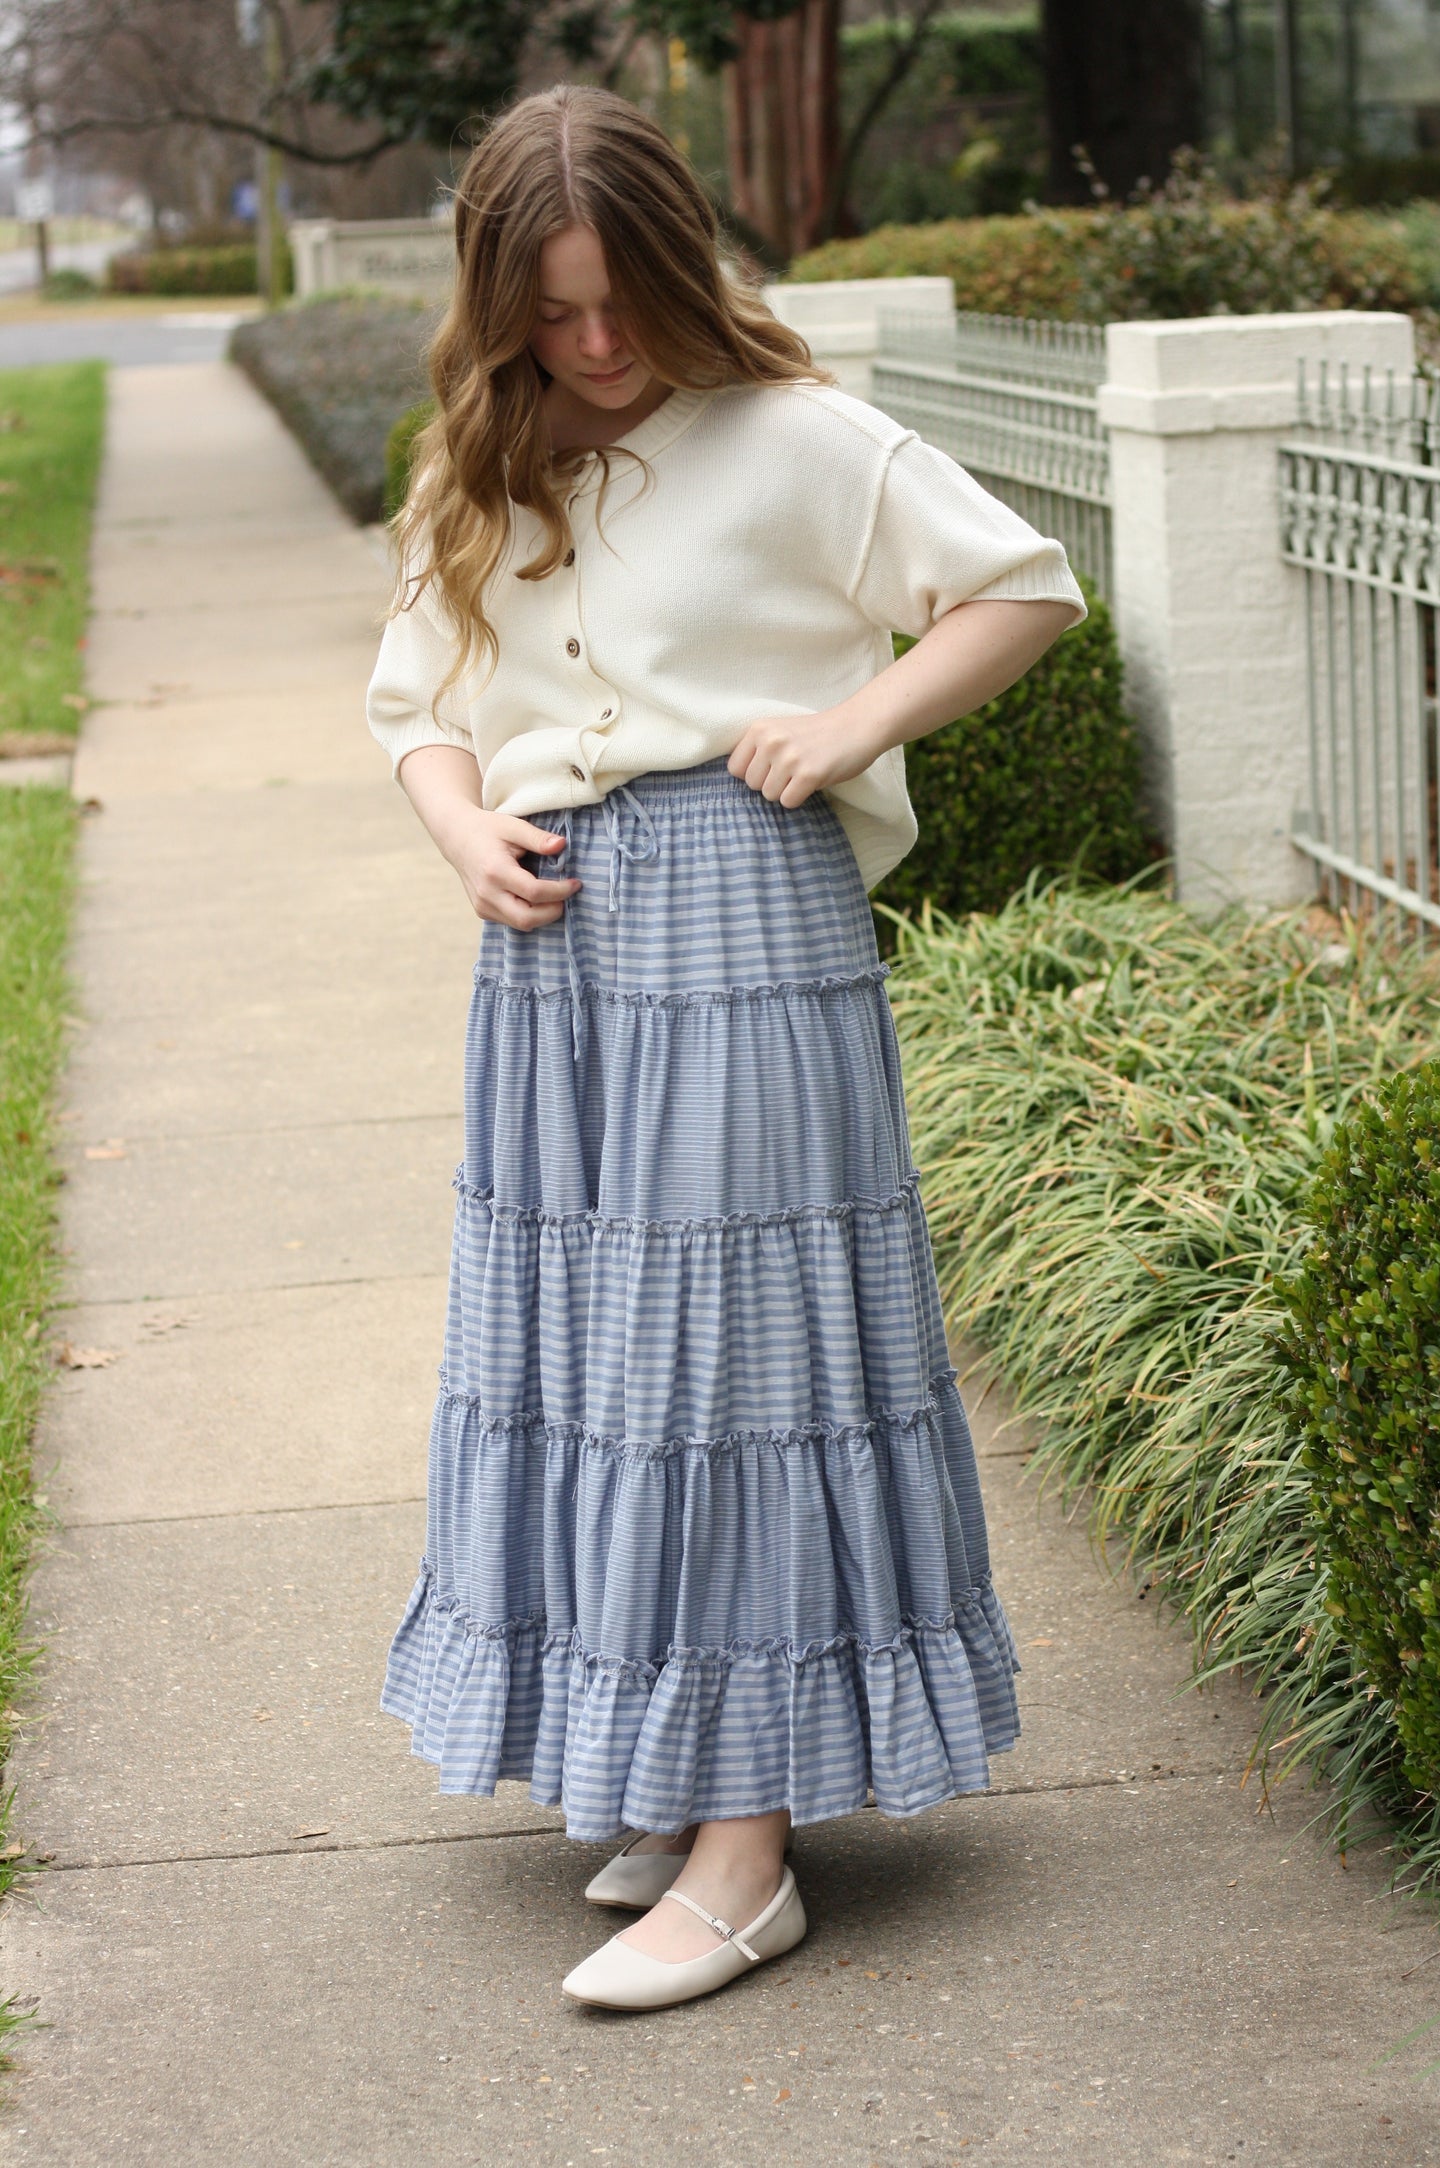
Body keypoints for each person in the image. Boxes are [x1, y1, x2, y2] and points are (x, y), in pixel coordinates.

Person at [366, 82, 1085, 2014]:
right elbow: (415, 698)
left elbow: (1020, 587)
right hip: (553, 959)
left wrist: (847, 728)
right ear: (496, 296)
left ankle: (749, 1853)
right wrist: (460, 828)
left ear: (680, 269)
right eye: (553, 308)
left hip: (745, 937)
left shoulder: (792, 436)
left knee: (732, 1370)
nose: (593, 345)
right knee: (595, 1363)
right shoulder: (479, 453)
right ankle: (678, 1773)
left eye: (621, 301)